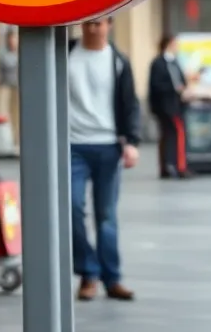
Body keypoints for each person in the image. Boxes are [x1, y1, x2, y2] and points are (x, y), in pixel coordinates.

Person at [68, 16, 141, 302]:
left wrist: (131, 142)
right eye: (87, 23)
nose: (92, 28)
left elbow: (130, 103)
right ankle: (88, 272)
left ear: (109, 25)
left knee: (107, 215)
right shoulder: (66, 54)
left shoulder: (118, 61)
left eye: (98, 23)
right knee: (72, 208)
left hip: (108, 146)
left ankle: (112, 278)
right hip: (72, 146)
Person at [148, 35, 190, 179]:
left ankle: (168, 166)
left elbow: (182, 80)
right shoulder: (158, 63)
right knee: (177, 133)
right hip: (166, 105)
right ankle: (178, 166)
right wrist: (174, 88)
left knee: (169, 135)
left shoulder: (175, 62)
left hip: (176, 103)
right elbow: (155, 85)